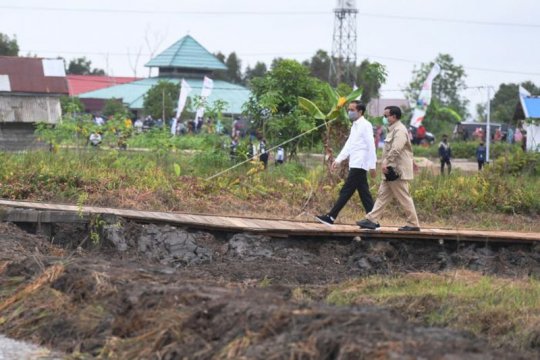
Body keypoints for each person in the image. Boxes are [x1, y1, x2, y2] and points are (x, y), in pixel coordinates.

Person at [357, 105, 421, 232]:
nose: (384, 118)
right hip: (390, 171)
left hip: (396, 171)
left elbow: (396, 149)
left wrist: (386, 162)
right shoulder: (392, 130)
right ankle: (371, 219)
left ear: (394, 116)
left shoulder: (400, 130)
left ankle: (413, 224)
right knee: (382, 196)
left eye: (386, 116)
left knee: (404, 197)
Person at [316, 101, 376, 225]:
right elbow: (349, 145)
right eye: (349, 109)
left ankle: (331, 217)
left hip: (360, 163)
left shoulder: (366, 125)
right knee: (364, 194)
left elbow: (371, 145)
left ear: (360, 112)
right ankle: (373, 221)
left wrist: (372, 165)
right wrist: (338, 160)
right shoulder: (355, 126)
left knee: (346, 191)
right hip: (355, 163)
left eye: (352, 110)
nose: (349, 112)